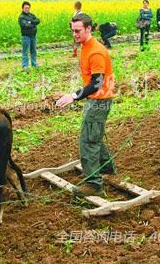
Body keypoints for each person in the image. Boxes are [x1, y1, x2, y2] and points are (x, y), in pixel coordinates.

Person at [56, 13, 116, 196]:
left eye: (78, 31)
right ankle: (107, 168)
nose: (74, 34)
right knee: (94, 135)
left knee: (87, 140)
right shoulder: (85, 46)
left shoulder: (96, 51)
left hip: (99, 100)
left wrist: (74, 96)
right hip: (96, 99)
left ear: (88, 29)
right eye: (73, 31)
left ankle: (94, 184)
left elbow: (96, 84)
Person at [18, 1, 40, 70]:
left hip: (33, 36)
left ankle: (34, 64)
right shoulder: (21, 17)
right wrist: (32, 23)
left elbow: (38, 21)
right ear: (22, 8)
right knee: (25, 51)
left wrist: (30, 22)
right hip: (25, 36)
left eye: (28, 8)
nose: (27, 9)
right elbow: (25, 25)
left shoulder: (31, 15)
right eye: (25, 8)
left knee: (33, 51)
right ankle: (25, 66)